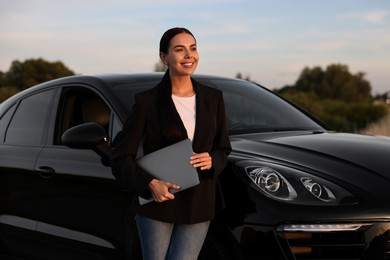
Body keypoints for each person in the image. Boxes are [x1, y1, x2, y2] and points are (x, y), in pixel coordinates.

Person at [110, 27, 231, 260]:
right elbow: (120, 158)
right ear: (164, 58)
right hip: (159, 202)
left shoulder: (214, 98)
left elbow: (223, 148)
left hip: (200, 201)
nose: (189, 55)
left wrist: (212, 159)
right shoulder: (147, 102)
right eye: (179, 50)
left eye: (193, 48)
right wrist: (150, 184)